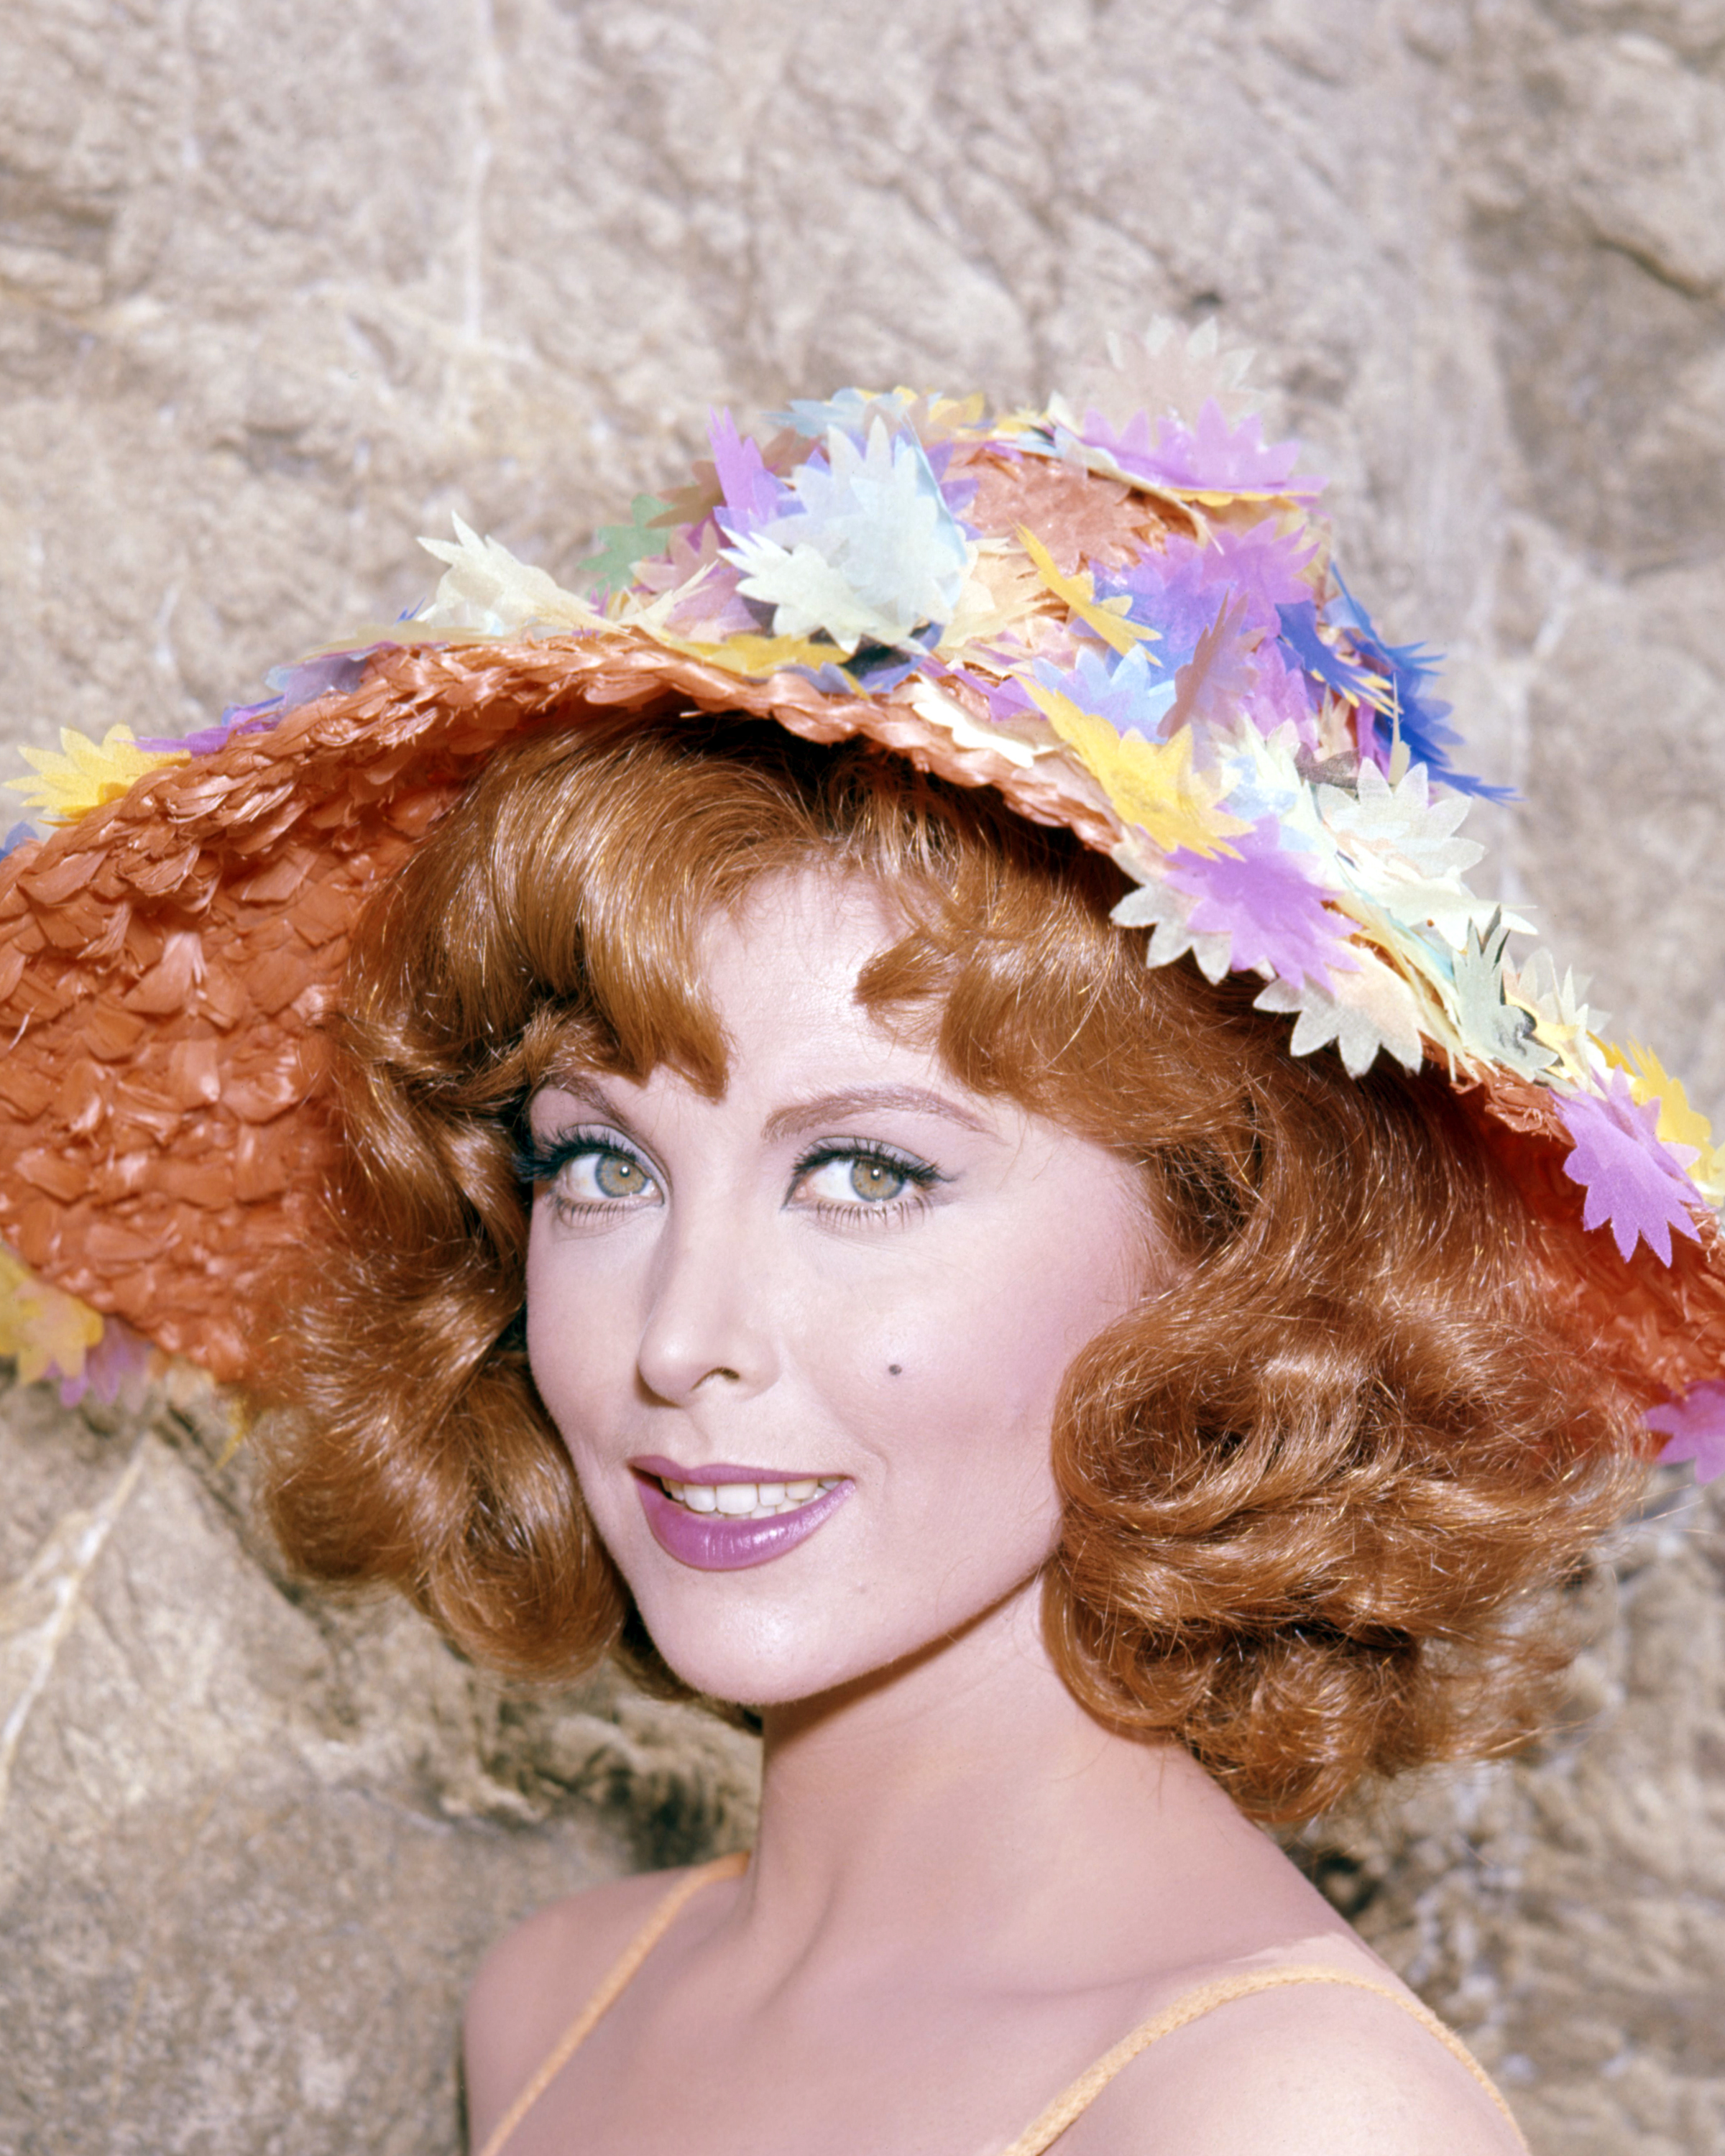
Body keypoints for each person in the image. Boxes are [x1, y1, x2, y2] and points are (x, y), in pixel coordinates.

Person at [1, 339, 1721, 2152]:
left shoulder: (1283, 2121)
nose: (682, 1337)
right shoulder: (557, 2002)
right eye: (601, 1166)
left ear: (1229, 1263)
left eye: (871, 1177)